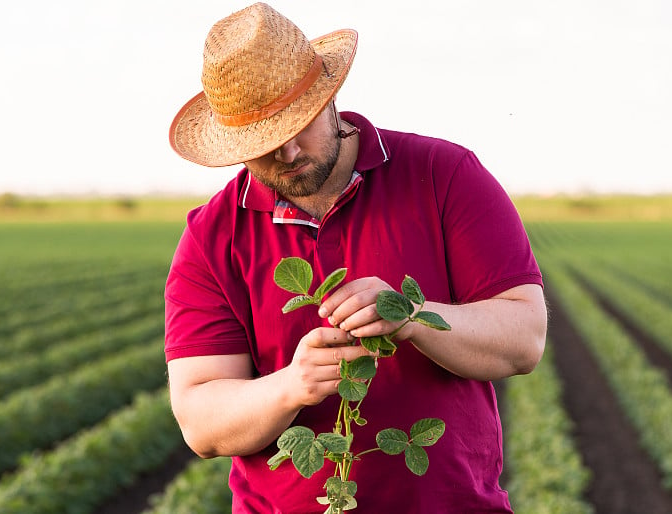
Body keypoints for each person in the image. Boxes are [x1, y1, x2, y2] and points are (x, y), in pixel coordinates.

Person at [164, 3, 547, 513]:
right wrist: (293, 385)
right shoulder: (212, 237)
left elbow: (525, 338)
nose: (290, 153)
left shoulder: (443, 175)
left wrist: (411, 318)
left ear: (330, 96)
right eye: (265, 144)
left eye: (300, 124)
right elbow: (200, 421)